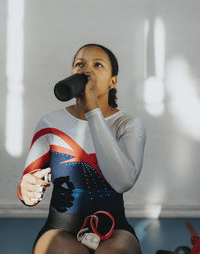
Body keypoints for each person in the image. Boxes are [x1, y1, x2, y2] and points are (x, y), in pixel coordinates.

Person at [17, 44, 146, 254]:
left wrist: (92, 109)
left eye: (98, 65)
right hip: (60, 227)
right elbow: (27, 182)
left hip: (114, 229)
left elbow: (122, 182)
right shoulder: (50, 122)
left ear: (113, 81)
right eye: (80, 64)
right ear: (71, 74)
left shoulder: (128, 124)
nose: (86, 70)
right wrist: (26, 190)